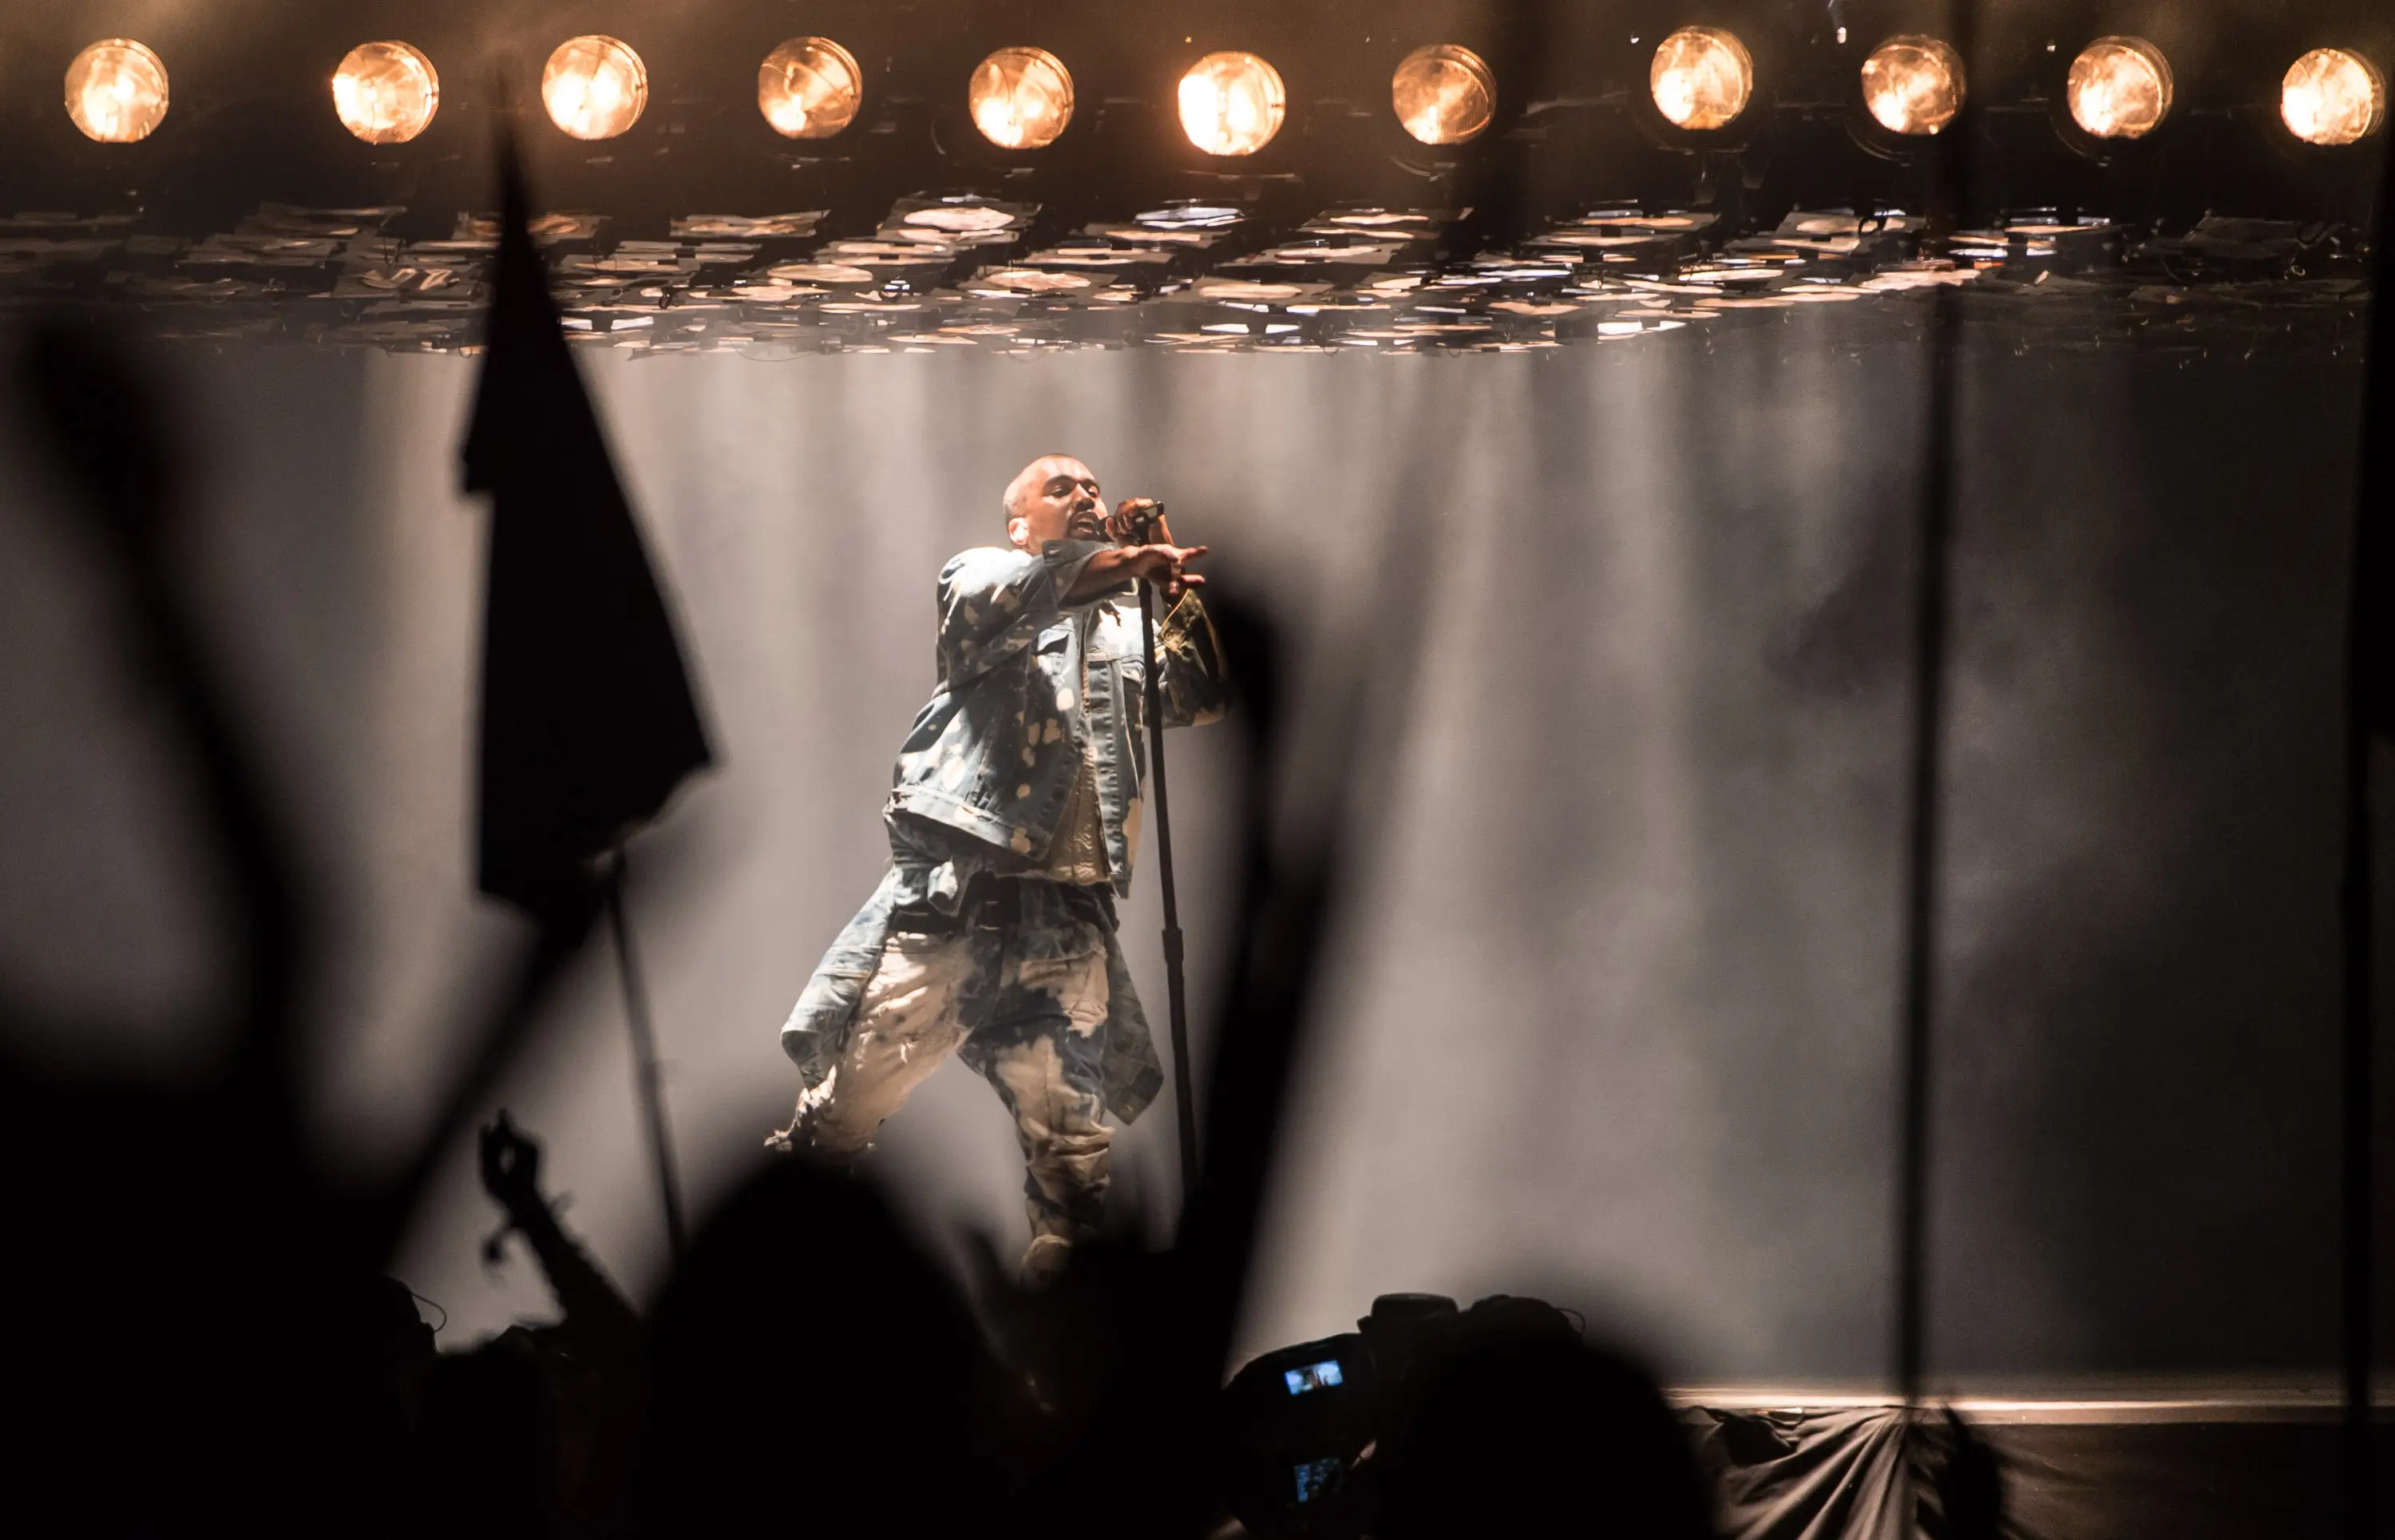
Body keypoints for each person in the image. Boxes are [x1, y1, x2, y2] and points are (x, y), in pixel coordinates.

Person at [770, 454, 1228, 1277]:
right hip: (959, 915)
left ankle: (1059, 1364)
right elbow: (1042, 585)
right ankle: (771, 1309)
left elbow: (1199, 695)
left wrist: (1172, 580)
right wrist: (1129, 563)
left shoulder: (1123, 632)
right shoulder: (982, 577)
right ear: (1019, 521)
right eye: (1063, 488)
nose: (1086, 496)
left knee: (1075, 1176)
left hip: (1066, 933)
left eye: (1093, 487)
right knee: (835, 1123)